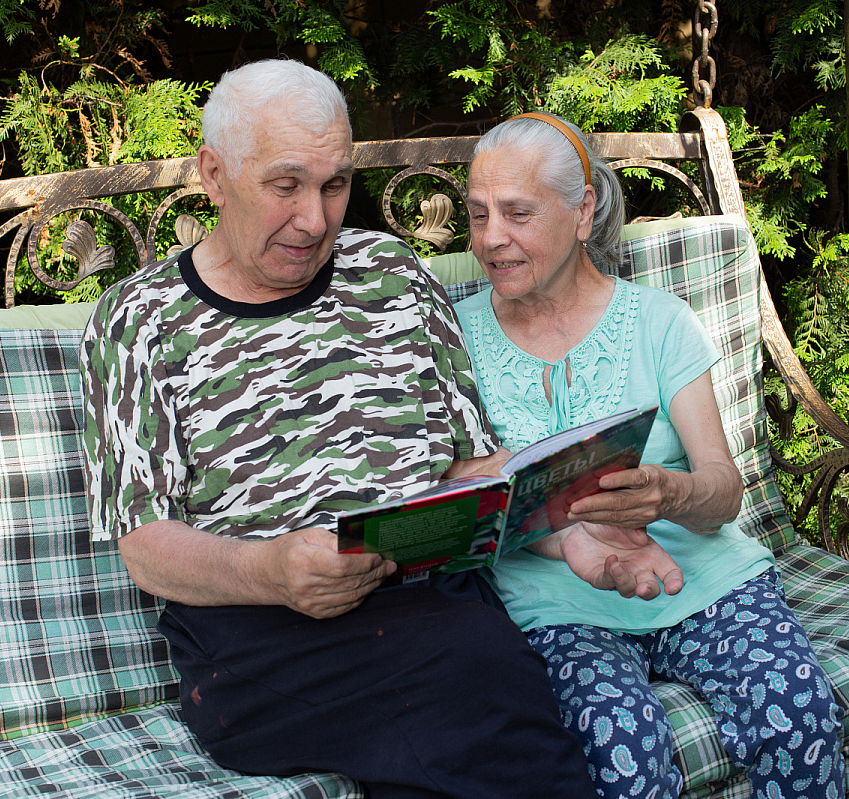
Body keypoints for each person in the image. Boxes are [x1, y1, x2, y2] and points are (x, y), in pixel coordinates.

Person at [79, 59, 678, 799]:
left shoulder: (391, 273)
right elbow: (145, 545)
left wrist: (564, 524)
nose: (314, 218)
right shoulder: (137, 320)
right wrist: (269, 572)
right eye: (285, 185)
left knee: (464, 680)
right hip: (261, 638)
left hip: (426, 600)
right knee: (481, 685)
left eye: (334, 185)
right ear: (213, 173)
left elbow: (468, 472)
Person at [452, 111, 846, 799]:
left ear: (583, 212)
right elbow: (452, 487)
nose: (490, 238)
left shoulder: (661, 322)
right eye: (478, 213)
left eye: (516, 213)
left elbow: (724, 488)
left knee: (797, 715)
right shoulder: (455, 337)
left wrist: (669, 493)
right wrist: (566, 529)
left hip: (703, 580)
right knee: (619, 750)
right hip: (554, 603)